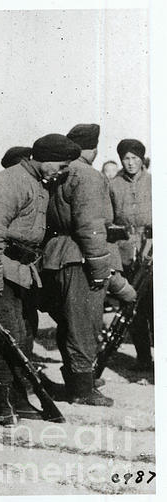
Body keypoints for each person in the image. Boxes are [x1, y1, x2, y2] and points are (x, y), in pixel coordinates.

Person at [0, 134, 79, 426]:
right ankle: (5, 401)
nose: (62, 172)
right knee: (2, 336)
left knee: (22, 334)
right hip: (0, 270)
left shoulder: (39, 183)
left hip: (22, 271)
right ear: (43, 159)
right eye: (60, 166)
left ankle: (17, 396)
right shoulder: (8, 183)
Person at [41, 124, 118, 406]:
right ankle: (82, 389)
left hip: (57, 256)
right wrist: (100, 270)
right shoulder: (88, 175)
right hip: (81, 256)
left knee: (68, 323)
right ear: (93, 148)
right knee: (85, 324)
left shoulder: (60, 172)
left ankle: (77, 380)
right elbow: (91, 227)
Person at [109, 138, 152, 371]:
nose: (130, 163)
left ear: (141, 159)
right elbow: (109, 219)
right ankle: (143, 357)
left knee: (155, 306)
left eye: (135, 158)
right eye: (126, 158)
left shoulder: (154, 182)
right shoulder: (113, 185)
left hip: (152, 252)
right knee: (133, 306)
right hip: (126, 252)